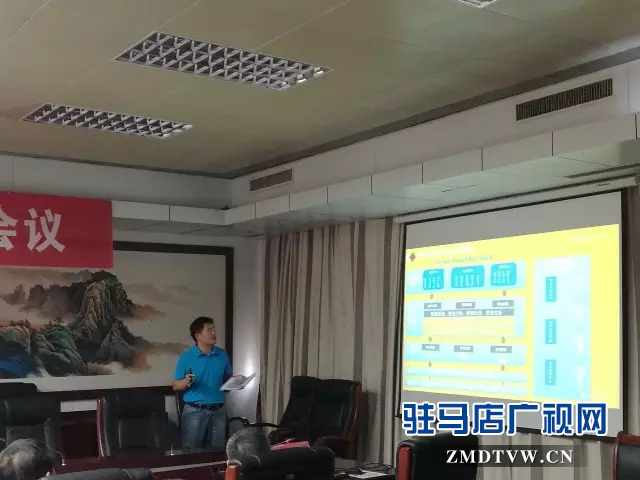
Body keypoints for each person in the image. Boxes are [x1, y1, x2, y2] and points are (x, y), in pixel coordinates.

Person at [173, 316, 245, 450]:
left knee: (217, 451)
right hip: (194, 412)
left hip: (219, 411)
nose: (214, 333)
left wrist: (237, 381)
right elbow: (176, 385)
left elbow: (226, 379)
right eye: (209, 330)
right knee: (191, 452)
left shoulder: (222, 354)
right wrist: (185, 381)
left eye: (214, 329)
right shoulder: (186, 357)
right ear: (198, 336)